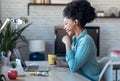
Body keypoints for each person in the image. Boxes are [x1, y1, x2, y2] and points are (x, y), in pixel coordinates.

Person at [55, 0, 101, 81]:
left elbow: (73, 67)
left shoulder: (86, 41)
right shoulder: (75, 39)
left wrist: (68, 45)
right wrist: (63, 64)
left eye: (66, 23)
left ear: (75, 22)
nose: (64, 27)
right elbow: (75, 62)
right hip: (79, 78)